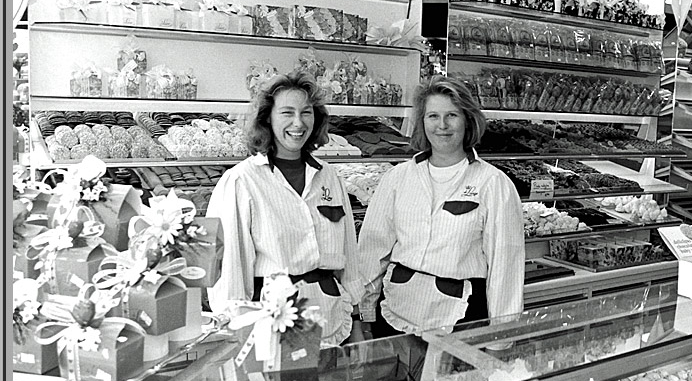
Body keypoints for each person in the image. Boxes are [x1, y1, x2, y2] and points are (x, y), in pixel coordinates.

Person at [356, 75, 525, 346]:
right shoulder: (398, 178)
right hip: (394, 316)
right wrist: (364, 314)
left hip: (462, 319)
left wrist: (499, 340)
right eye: (433, 116)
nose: (442, 125)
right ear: (422, 122)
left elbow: (506, 267)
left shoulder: (493, 184)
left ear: (468, 119)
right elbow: (372, 251)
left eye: (452, 116)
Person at [206, 69, 365, 347]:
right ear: (267, 117)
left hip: (331, 318)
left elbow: (349, 256)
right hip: (272, 323)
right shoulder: (242, 181)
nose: (298, 123)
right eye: (286, 113)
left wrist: (358, 322)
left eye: (306, 112)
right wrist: (236, 327)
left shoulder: (330, 177)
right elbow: (230, 268)